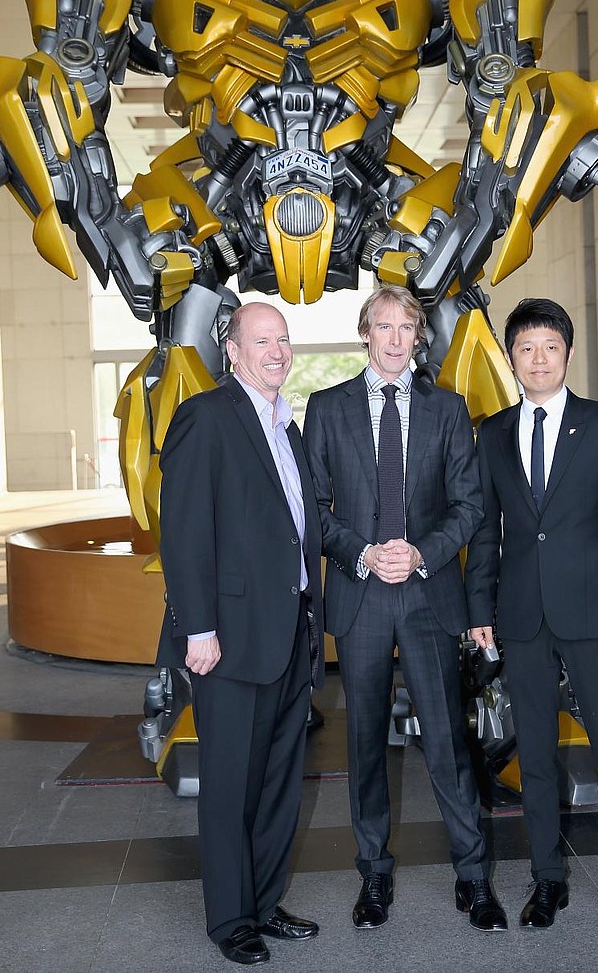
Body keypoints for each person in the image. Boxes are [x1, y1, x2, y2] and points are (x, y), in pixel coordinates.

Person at [303, 284, 507, 932]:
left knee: (447, 743)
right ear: (365, 333)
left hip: (426, 593)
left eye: (407, 328)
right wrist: (364, 553)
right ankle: (372, 878)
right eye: (383, 326)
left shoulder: (448, 409)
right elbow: (314, 508)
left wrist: (419, 554)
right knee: (363, 744)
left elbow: (469, 505)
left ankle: (473, 878)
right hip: (361, 595)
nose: (395, 339)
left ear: (419, 336)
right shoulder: (327, 408)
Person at [467, 297, 598, 933]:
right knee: (537, 756)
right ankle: (547, 880)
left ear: (567, 355)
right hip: (520, 615)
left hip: (594, 610)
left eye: (550, 347)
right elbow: (487, 531)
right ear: (512, 358)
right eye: (526, 348)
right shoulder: (492, 433)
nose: (538, 358)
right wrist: (479, 607)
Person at [157, 301, 324, 966]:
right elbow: (185, 531)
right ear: (232, 350)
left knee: (281, 780)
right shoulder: (208, 416)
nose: (276, 350)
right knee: (230, 786)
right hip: (226, 641)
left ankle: (263, 902)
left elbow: (294, 528)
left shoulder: (290, 426)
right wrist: (198, 628)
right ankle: (231, 920)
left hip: (288, 635)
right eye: (261, 340)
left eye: (283, 339)